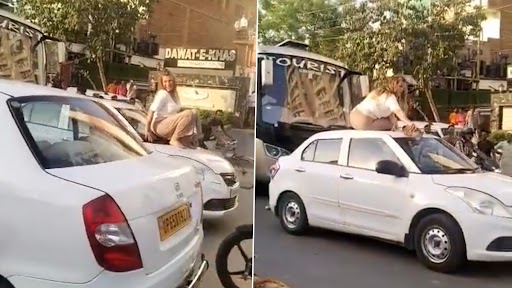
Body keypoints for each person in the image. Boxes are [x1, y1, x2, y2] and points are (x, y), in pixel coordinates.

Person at [145, 70, 198, 149]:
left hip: (169, 123)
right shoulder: (163, 94)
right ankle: (174, 139)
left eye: (170, 81)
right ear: (162, 83)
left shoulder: (174, 94)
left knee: (195, 112)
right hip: (159, 125)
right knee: (189, 113)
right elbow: (151, 111)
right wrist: (147, 129)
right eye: (165, 82)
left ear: (173, 82)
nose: (168, 84)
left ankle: (195, 139)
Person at [350, 75, 414, 131]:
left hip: (352, 117)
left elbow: (392, 116)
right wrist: (409, 123)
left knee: (393, 123)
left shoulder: (378, 92)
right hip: (363, 121)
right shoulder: (390, 97)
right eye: (400, 86)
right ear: (394, 85)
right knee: (392, 125)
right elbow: (398, 112)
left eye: (403, 87)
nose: (402, 89)